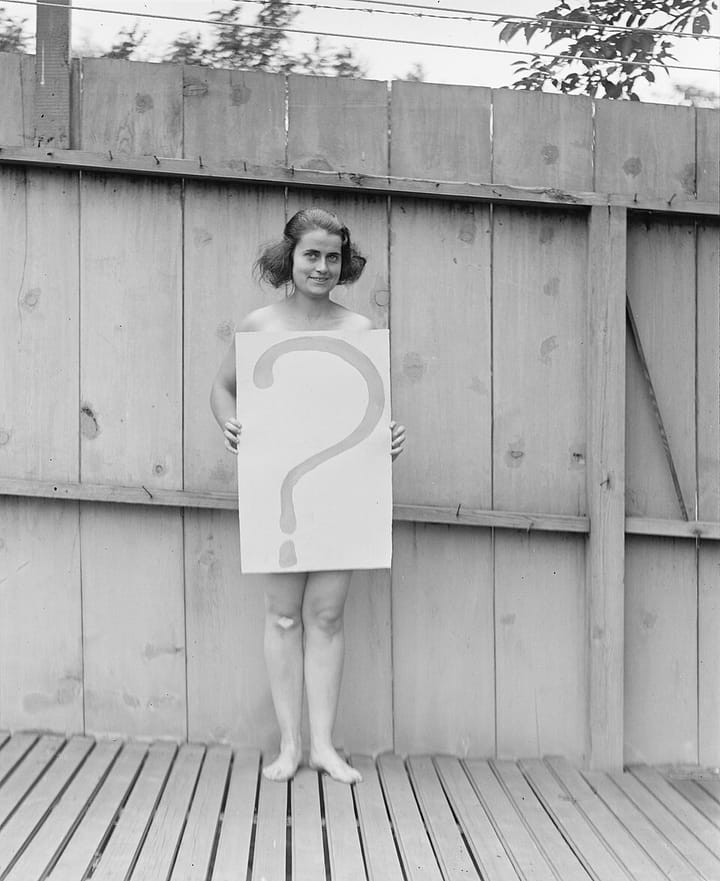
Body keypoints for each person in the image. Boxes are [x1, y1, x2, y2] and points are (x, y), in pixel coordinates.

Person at [210, 207, 406, 784]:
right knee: (283, 616)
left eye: (332, 257)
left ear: (344, 264)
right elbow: (223, 391)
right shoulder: (257, 327)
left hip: (341, 495)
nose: (321, 267)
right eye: (311, 255)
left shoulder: (361, 333)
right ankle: (289, 746)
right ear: (289, 258)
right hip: (278, 497)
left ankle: (323, 745)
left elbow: (370, 411)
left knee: (326, 614)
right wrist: (230, 424)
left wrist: (386, 437)